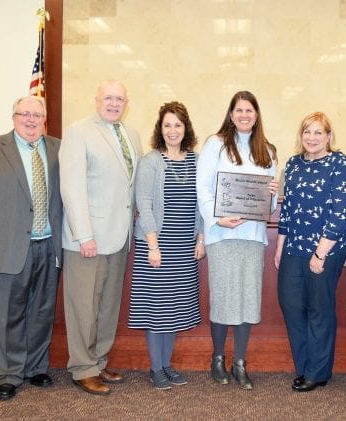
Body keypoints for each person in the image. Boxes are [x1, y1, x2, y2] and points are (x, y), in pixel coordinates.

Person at [0, 96, 62, 401]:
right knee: (6, 314)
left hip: (49, 245)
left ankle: (35, 368)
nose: (31, 120)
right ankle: (7, 374)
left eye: (37, 115)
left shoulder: (57, 148)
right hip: (4, 245)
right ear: (14, 116)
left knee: (42, 312)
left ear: (44, 119)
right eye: (24, 114)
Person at [60, 80, 143, 395]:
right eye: (108, 97)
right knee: (83, 307)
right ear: (96, 100)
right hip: (88, 239)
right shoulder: (78, 132)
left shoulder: (131, 134)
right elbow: (71, 187)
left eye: (119, 98)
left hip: (119, 236)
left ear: (127, 103)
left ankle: (98, 360)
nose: (114, 103)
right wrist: (84, 235)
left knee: (108, 306)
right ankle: (82, 368)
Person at [196, 90, 278, 390]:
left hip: (252, 237)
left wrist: (273, 194)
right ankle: (217, 358)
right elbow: (203, 187)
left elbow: (269, 204)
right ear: (231, 115)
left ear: (256, 115)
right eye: (239, 110)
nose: (244, 115)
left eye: (249, 110)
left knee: (247, 298)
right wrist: (217, 219)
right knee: (223, 297)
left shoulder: (267, 150)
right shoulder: (215, 145)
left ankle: (240, 361)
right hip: (221, 235)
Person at [128, 101, 205, 390]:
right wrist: (152, 245)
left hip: (184, 247)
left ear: (186, 128)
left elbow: (203, 204)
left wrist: (201, 239)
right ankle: (155, 367)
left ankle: (167, 364)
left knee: (174, 309)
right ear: (160, 129)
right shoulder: (151, 161)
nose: (173, 130)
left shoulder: (197, 161)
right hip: (157, 246)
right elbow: (144, 204)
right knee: (156, 308)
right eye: (167, 125)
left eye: (178, 125)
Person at [274, 111, 346, 392]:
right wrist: (280, 248)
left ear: (328, 136)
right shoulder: (293, 164)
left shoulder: (339, 163)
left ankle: (318, 372)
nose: (312, 137)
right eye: (307, 131)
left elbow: (341, 212)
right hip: (293, 248)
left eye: (318, 132)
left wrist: (320, 253)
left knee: (319, 309)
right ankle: (304, 366)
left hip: (325, 250)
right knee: (291, 305)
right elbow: (287, 210)